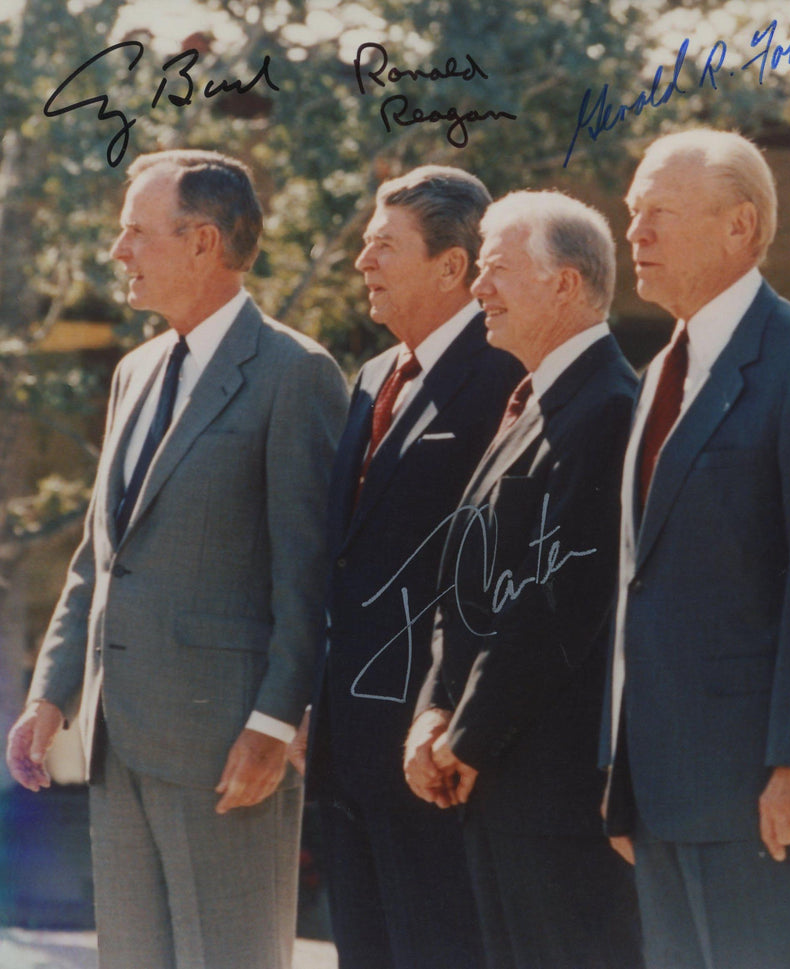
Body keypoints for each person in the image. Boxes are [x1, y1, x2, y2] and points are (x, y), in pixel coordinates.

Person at [4, 150, 348, 969]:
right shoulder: (135, 370)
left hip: (229, 751)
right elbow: (100, 556)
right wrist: (51, 696)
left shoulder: (297, 374)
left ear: (201, 242)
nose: (119, 251)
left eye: (134, 232)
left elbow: (312, 573)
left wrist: (273, 723)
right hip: (118, 740)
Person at [601, 128, 790, 969]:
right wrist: (622, 778)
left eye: (659, 214)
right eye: (632, 213)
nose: (635, 235)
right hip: (660, 789)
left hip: (760, 793)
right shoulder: (658, 372)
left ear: (739, 226)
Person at [405, 190, 643, 969]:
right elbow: (467, 585)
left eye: (498, 268)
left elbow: (559, 603)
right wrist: (433, 712)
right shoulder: (534, 402)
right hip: (497, 781)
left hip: (556, 796)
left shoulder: (609, 409)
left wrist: (465, 734)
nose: (477, 289)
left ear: (566, 284)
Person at [292, 166, 521, 969]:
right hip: (349, 750)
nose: (364, 263)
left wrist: (450, 720)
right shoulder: (372, 379)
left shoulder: (504, 378)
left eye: (383, 246)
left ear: (452, 266)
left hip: (434, 752)